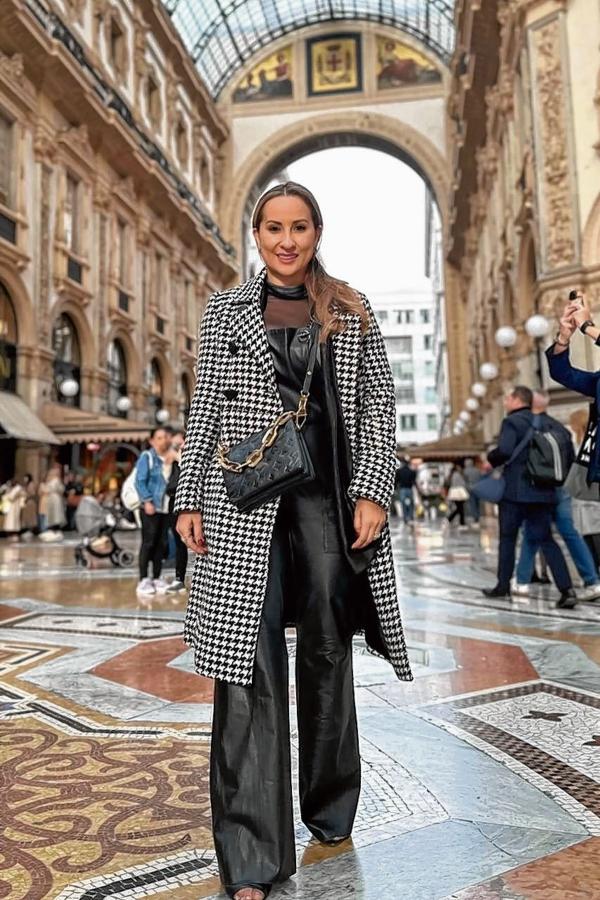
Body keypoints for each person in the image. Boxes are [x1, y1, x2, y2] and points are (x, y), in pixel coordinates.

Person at [174, 181, 412, 900]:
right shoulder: (225, 311)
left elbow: (378, 405)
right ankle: (251, 856)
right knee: (245, 667)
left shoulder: (350, 308)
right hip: (244, 502)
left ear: (316, 232)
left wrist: (373, 490)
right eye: (273, 228)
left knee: (327, 652)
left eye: (299, 227)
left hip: (328, 507)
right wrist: (188, 495)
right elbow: (205, 407)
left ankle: (328, 803)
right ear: (256, 235)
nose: (286, 241)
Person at [483, 385, 576, 608]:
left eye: (508, 398)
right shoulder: (552, 424)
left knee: (508, 538)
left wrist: (491, 457)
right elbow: (569, 452)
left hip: (515, 492)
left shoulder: (512, 422)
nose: (505, 402)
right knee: (546, 539)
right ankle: (567, 590)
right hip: (543, 491)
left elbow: (505, 451)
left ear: (517, 400)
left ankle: (502, 586)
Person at [512, 390, 600, 601]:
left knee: (532, 532)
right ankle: (593, 581)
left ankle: (521, 582)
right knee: (570, 533)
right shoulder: (560, 428)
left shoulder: (527, 427)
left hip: (539, 488)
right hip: (562, 488)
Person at [134, 427, 172, 596]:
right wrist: (147, 500)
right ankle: (143, 579)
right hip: (151, 507)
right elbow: (140, 481)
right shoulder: (147, 457)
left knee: (161, 543)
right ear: (152, 441)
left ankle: (156, 577)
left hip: (165, 507)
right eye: (159, 437)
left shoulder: (171, 457)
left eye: (165, 437)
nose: (163, 440)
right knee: (148, 542)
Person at [164, 429, 188, 594]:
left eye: (180, 444)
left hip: (188, 502)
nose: (177, 448)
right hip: (172, 502)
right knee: (179, 542)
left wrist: (179, 457)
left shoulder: (183, 459)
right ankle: (179, 578)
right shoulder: (169, 462)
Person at [38, 465, 66, 541]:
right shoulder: (52, 481)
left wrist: (45, 489)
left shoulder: (56, 480)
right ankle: (52, 531)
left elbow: (54, 489)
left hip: (55, 499)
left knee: (55, 515)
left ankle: (55, 531)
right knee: (52, 516)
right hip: (51, 499)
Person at [445, 462, 469, 528]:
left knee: (460, 508)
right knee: (460, 508)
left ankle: (451, 519)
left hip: (455, 493)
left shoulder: (452, 475)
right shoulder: (457, 474)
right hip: (459, 493)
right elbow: (462, 483)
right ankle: (461, 523)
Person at [394, 457, 417, 523]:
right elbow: (414, 480)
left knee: (403, 504)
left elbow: (396, 480)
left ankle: (405, 517)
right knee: (411, 503)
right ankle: (411, 516)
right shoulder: (411, 471)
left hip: (402, 489)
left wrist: (395, 488)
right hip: (409, 488)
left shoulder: (399, 471)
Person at [463, 458, 482, 525]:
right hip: (478, 488)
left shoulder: (465, 471)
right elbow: (480, 479)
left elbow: (464, 481)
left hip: (470, 489)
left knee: (472, 503)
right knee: (477, 503)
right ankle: (477, 517)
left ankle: (475, 517)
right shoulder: (477, 470)